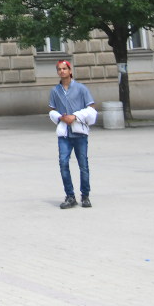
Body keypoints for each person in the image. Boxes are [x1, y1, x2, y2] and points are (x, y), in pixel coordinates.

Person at [48, 59, 96, 209]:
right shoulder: (55, 90)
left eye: (64, 68)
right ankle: (70, 196)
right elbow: (52, 110)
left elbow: (91, 108)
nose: (62, 71)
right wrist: (60, 117)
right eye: (59, 69)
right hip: (64, 134)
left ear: (70, 71)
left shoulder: (81, 89)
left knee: (83, 164)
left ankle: (85, 195)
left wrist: (75, 116)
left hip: (79, 132)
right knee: (63, 163)